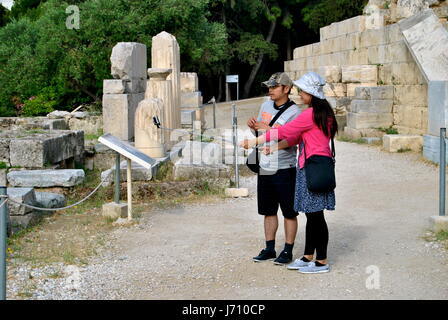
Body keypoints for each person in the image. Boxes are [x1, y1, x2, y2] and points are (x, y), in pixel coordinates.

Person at [241, 72, 338, 274]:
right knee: (312, 216)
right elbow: (296, 138)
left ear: (311, 93)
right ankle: (308, 256)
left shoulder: (309, 115)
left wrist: (254, 142)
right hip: (314, 167)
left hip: (312, 168)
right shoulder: (323, 113)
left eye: (303, 91)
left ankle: (321, 261)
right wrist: (273, 148)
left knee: (316, 218)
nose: (300, 94)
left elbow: (284, 132)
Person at [247, 72, 302, 265]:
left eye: (274, 86)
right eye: (269, 86)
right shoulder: (265, 105)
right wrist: (254, 127)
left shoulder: (295, 113)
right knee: (268, 210)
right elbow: (261, 131)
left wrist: (267, 129)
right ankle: (269, 248)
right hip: (265, 165)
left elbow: (293, 140)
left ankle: (287, 250)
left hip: (284, 167)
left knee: (289, 212)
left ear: (286, 89)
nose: (270, 90)